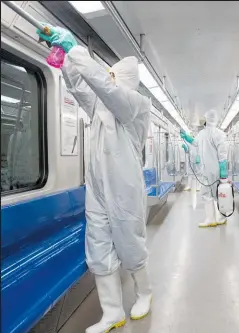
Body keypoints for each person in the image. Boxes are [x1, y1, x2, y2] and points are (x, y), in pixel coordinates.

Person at [37, 26, 152, 333]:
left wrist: (76, 49)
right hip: (98, 187)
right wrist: (67, 64)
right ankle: (112, 313)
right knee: (98, 247)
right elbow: (81, 88)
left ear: (124, 82)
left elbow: (106, 89)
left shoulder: (137, 106)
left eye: (113, 78)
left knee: (130, 243)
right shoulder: (103, 106)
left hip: (124, 188)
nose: (108, 82)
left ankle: (145, 293)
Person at [183, 110, 228, 227]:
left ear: (207, 119)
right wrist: (187, 138)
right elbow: (222, 154)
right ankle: (215, 218)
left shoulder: (205, 134)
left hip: (210, 169)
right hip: (214, 169)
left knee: (212, 194)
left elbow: (195, 142)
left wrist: (223, 169)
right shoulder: (219, 134)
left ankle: (215, 218)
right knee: (216, 193)